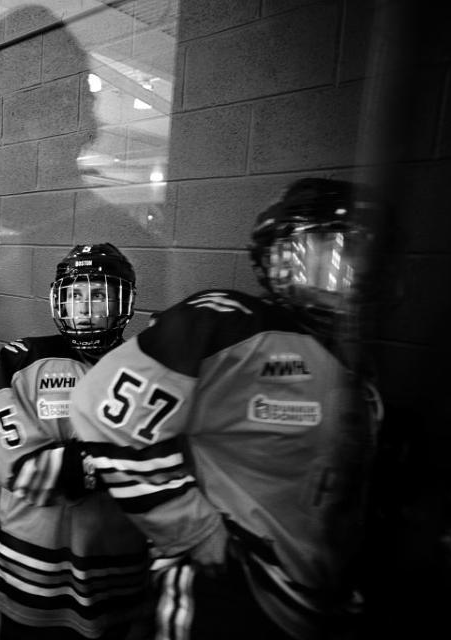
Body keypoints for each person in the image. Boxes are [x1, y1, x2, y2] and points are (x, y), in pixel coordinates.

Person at [68, 178, 384, 640]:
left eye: (363, 254)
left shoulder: (358, 363)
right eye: (336, 249)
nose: (351, 269)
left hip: (315, 594)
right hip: (227, 589)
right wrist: (195, 531)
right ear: (281, 257)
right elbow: (102, 408)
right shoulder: (228, 324)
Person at [0, 243, 154, 640]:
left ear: (122, 301)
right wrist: (113, 461)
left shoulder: (149, 365)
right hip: (30, 572)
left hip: (115, 570)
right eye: (75, 294)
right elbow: (19, 468)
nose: (84, 307)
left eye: (98, 295)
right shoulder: (24, 360)